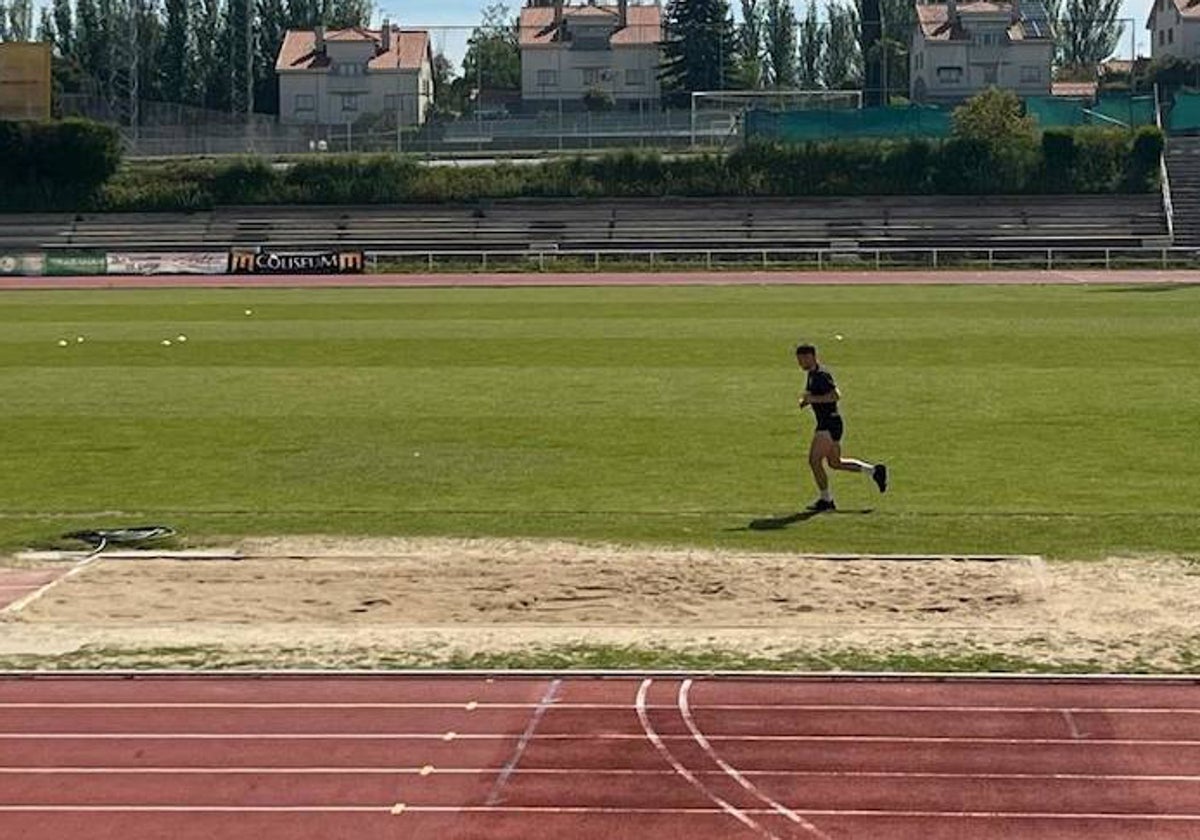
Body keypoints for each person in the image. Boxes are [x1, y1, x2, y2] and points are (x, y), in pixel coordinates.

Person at [795, 342, 887, 512]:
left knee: (814, 461)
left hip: (828, 423)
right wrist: (806, 401)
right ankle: (874, 471)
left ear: (813, 357)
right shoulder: (812, 374)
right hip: (832, 423)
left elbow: (835, 395)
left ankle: (826, 500)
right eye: (799, 360)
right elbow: (816, 395)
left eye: (803, 359)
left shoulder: (821, 374)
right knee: (835, 463)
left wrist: (812, 400)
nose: (800, 363)